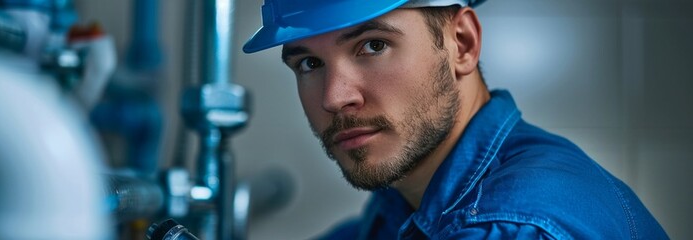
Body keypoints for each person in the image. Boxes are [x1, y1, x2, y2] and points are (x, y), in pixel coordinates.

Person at [242, 0, 669, 239]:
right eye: (310, 64)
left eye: (373, 46)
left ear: (462, 44)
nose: (335, 98)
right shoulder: (410, 196)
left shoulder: (508, 228)